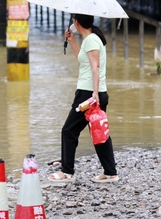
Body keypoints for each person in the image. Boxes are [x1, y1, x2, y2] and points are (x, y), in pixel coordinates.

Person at [48, 14, 119, 184]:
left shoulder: (91, 40)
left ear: (76, 22)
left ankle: (67, 172)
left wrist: (94, 93)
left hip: (89, 94)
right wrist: (72, 41)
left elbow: (95, 67)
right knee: (98, 132)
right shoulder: (90, 39)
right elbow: (84, 61)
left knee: (69, 130)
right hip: (94, 92)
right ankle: (110, 173)